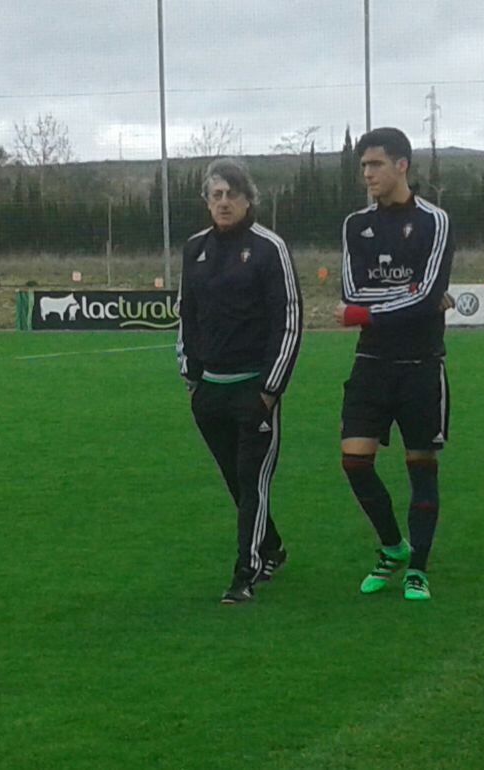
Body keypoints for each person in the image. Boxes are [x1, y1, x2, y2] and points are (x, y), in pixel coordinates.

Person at [334, 127, 455, 601]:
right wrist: (408, 299)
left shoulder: (435, 221)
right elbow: (351, 292)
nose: (367, 174)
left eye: (376, 164)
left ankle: (418, 568)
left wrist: (366, 314)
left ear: (402, 165)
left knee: (419, 463)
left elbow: (427, 292)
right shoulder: (354, 225)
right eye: (363, 166)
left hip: (422, 363)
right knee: (354, 461)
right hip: (371, 363)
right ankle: (392, 546)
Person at [177, 158, 302, 604]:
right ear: (207, 202)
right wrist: (191, 377)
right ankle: (272, 547)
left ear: (249, 199)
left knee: (252, 481)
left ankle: (246, 573)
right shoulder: (194, 250)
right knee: (234, 478)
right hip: (210, 390)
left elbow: (288, 320)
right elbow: (186, 315)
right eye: (216, 194)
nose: (224, 202)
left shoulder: (269, 248)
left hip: (254, 390)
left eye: (232, 194)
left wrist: (270, 389)